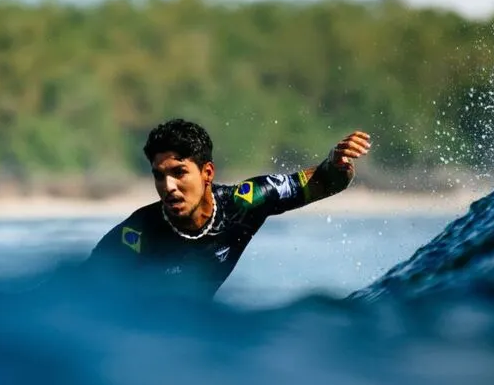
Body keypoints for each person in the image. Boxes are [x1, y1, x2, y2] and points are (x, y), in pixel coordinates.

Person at [79, 118, 371, 300]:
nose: (168, 186)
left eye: (179, 173)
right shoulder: (137, 233)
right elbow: (78, 293)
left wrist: (337, 162)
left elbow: (326, 181)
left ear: (207, 173)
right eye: (159, 175)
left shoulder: (245, 202)